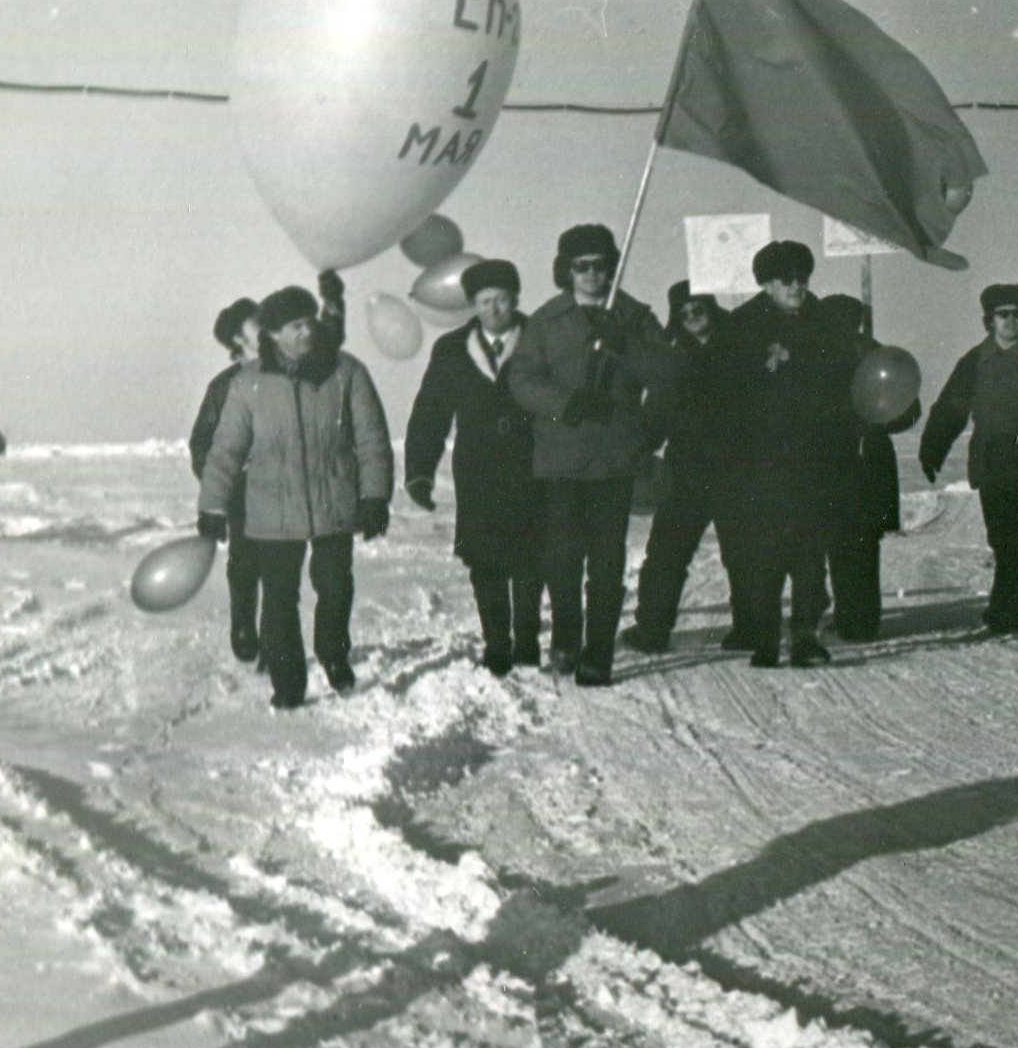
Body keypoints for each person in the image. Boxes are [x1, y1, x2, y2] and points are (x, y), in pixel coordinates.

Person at [196, 285, 394, 710]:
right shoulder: (248, 384)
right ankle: (287, 683)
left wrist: (375, 496)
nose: (307, 331)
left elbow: (372, 438)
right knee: (279, 599)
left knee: (336, 586)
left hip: (332, 501)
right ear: (273, 334)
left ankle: (334, 654)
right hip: (272, 507)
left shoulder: (346, 372)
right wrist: (212, 504)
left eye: (309, 322)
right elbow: (226, 449)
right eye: (295, 326)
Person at [505, 224, 676, 688]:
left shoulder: (634, 316)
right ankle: (566, 637)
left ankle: (598, 653)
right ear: (566, 270)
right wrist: (564, 404)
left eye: (601, 265)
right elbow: (521, 379)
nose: (592, 274)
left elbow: (668, 372)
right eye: (581, 266)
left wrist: (627, 345)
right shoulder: (546, 321)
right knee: (562, 558)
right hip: (560, 460)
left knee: (606, 561)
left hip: (613, 460)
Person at [708, 240, 856, 667]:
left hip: (814, 459)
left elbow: (846, 382)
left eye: (802, 278)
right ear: (767, 284)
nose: (797, 286)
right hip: (759, 463)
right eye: (787, 279)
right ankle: (766, 638)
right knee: (764, 555)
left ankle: (805, 637)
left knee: (810, 555)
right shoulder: (740, 328)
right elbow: (719, 397)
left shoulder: (826, 323)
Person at [402, 259, 545, 674]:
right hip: (478, 470)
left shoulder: (541, 339)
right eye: (485, 302)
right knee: (485, 560)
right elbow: (430, 412)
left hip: (533, 465)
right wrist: (419, 471)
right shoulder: (451, 349)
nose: (494, 309)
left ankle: (527, 640)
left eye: (502, 300)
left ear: (515, 299)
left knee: (531, 558)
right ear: (472, 305)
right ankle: (497, 643)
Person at [920, 283, 1018, 634]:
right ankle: (1008, 605)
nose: (1010, 321)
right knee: (1000, 536)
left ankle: (1009, 610)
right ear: (990, 320)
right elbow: (951, 407)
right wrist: (933, 448)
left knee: (1015, 537)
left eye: (1017, 314)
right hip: (991, 458)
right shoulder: (975, 360)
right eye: (1003, 315)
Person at [626, 282, 744, 652]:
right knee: (666, 553)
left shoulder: (740, 350)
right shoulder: (672, 360)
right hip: (686, 472)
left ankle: (753, 628)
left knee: (744, 553)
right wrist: (637, 449)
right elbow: (655, 415)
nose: (692, 317)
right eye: (684, 312)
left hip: (737, 469)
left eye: (698, 308)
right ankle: (651, 631)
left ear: (712, 308)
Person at [816, 294, 918, 642]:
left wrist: (874, 418)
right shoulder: (876, 353)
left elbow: (906, 409)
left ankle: (854, 620)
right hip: (866, 460)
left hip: (847, 460)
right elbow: (909, 411)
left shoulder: (832, 354)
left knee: (843, 542)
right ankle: (859, 619)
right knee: (860, 544)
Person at [188, 298, 267, 667]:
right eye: (257, 322)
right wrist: (218, 491)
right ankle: (243, 625)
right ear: (239, 338)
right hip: (242, 492)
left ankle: (277, 640)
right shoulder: (222, 387)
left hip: (287, 487)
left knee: (281, 568)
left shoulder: (291, 376)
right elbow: (201, 444)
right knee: (245, 562)